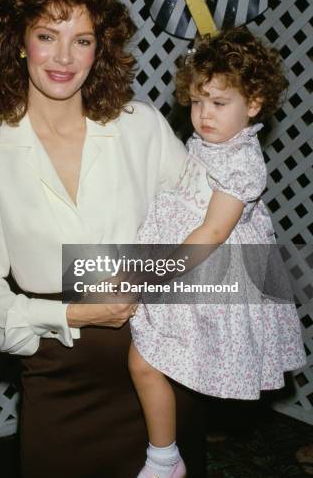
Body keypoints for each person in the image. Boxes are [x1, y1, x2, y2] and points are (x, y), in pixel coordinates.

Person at [0, 0, 200, 478]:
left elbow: (209, 229)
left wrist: (152, 276)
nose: (64, 58)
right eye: (47, 36)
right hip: (59, 378)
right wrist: (77, 313)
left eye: (81, 40)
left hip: (159, 368)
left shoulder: (142, 127)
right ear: (18, 43)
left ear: (98, 49)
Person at [129, 27, 306, 478]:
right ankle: (166, 454)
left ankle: (165, 457)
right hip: (186, 261)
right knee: (146, 360)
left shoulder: (242, 161)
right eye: (197, 101)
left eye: (219, 103)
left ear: (254, 103)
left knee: (147, 360)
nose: (204, 115)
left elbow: (211, 231)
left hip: (208, 270)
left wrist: (154, 271)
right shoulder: (210, 143)